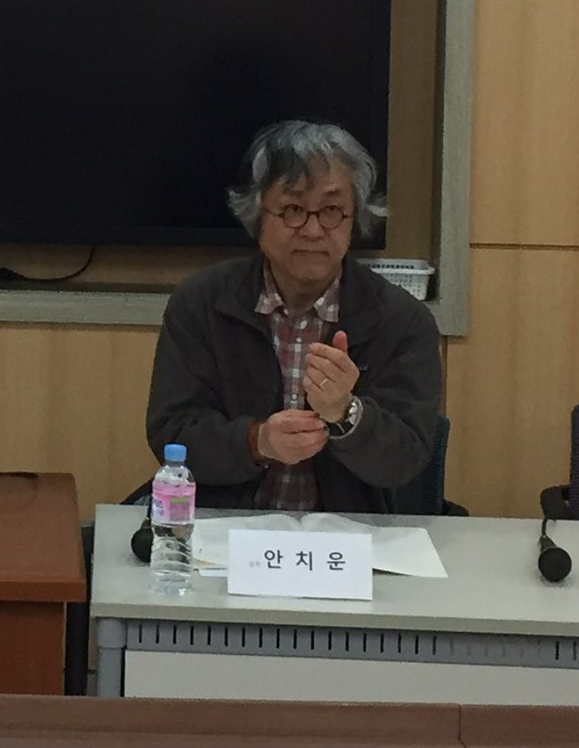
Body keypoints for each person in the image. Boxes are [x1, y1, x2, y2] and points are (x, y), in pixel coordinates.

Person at [144, 119, 442, 513]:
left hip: (351, 534)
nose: (314, 230)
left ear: (354, 219)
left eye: (332, 210)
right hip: (228, 528)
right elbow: (173, 431)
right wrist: (258, 441)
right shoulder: (200, 303)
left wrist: (346, 414)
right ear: (258, 216)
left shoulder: (402, 321)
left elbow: (407, 458)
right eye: (293, 209)